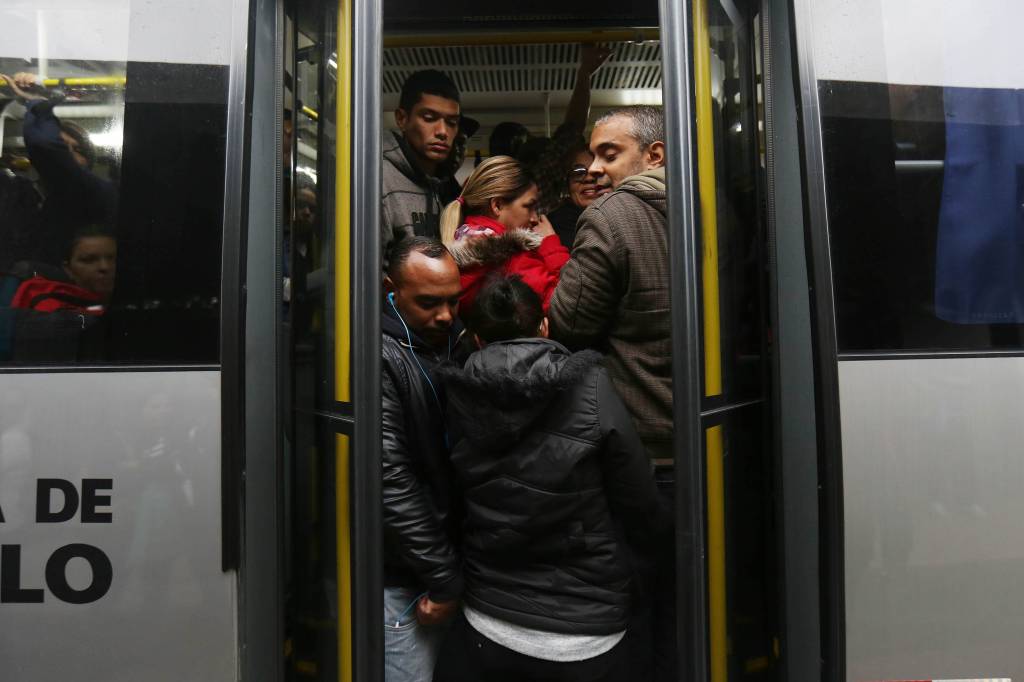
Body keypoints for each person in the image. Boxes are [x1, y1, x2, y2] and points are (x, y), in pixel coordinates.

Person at [433, 274, 665, 682]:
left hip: (488, 620)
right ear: (544, 326)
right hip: (587, 630)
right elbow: (640, 501)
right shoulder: (591, 386)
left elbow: (453, 496)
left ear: (479, 340)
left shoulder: (459, 393)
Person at [547, 105, 674, 681]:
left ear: (654, 154)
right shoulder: (712, 205)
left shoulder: (611, 215)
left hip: (642, 447)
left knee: (636, 596)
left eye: (609, 153)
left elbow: (570, 323)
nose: (595, 168)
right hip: (707, 436)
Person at [381, 237, 464, 682]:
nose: (446, 315)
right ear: (390, 290)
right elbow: (390, 478)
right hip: (407, 577)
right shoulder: (380, 355)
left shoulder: (451, 340)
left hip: (446, 560)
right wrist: (442, 576)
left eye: (454, 301)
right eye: (429, 303)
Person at [1, 72, 117, 266]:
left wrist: (38, 101)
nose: (67, 153)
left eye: (78, 150)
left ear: (88, 163)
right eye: (63, 146)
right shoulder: (18, 193)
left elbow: (45, 145)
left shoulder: (97, 194)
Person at [439, 156, 568, 319]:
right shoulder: (511, 256)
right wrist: (551, 245)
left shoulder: (463, 238)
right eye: (529, 206)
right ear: (497, 205)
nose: (535, 218)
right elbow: (566, 305)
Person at [532, 43, 613, 248]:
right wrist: (584, 74)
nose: (588, 178)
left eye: (597, 172)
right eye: (578, 172)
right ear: (567, 185)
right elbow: (571, 130)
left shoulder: (625, 220)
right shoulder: (554, 225)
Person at [382, 70, 462, 266]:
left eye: (451, 123)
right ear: (402, 119)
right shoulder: (379, 180)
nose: (443, 132)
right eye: (429, 118)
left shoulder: (449, 188)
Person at [11, 225, 116, 313]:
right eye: (89, 260)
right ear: (68, 269)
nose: (105, 267)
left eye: (113, 259)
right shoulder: (51, 303)